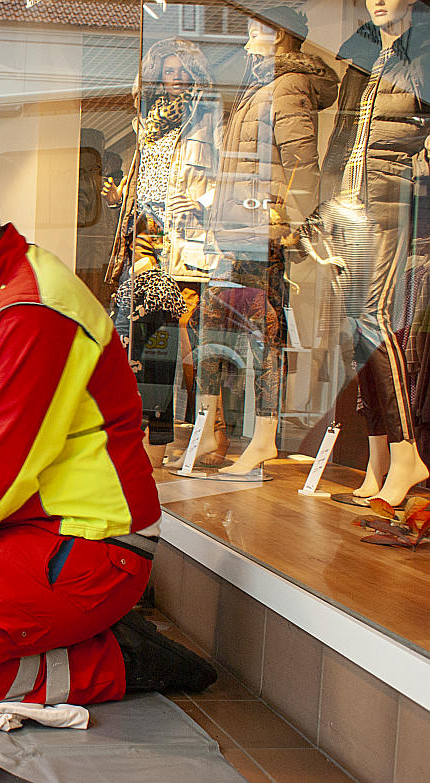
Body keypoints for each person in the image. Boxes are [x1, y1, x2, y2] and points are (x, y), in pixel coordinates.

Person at [0, 176, 215, 706]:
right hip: (28, 529)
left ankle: (118, 659)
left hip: (90, 544)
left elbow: (4, 463)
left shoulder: (31, 308)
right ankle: (59, 640)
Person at [194, 7, 338, 475]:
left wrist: (283, 220)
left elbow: (303, 166)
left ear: (279, 34)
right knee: (214, 327)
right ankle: (209, 432)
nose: (247, 35)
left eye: (257, 25)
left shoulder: (286, 87)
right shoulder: (258, 84)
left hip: (261, 238)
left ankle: (263, 439)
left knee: (265, 338)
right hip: (237, 236)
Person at [308, 0, 430, 505]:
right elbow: (341, 137)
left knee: (377, 317)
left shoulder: (422, 48)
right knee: (356, 331)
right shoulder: (362, 53)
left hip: (393, 197)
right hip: (351, 206)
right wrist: (322, 207)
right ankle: (379, 457)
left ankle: (408, 455)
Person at [103, 38, 220, 467]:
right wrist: (121, 198)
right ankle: (145, 439)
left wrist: (203, 202)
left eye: (180, 71)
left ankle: (160, 441)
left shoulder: (205, 118)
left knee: (161, 347)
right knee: (135, 344)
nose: (174, 81)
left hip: (179, 245)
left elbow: (225, 174)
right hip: (142, 241)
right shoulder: (149, 126)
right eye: (167, 72)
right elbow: (146, 185)